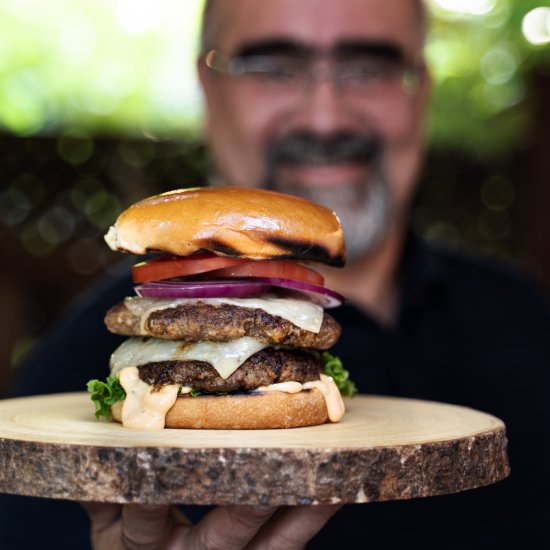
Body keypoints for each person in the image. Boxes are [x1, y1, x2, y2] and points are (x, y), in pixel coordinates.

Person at [1, 0, 549, 548]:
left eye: (368, 68)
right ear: (209, 89)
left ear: (420, 88)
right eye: (273, 67)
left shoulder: (532, 325)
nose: (325, 117)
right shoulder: (61, 377)